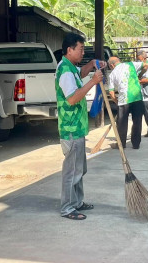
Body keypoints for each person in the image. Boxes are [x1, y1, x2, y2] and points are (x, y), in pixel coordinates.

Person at [55, 33, 104, 220]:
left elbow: (79, 74)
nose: (83, 51)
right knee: (71, 171)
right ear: (69, 49)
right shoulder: (66, 71)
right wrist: (93, 82)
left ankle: (77, 202)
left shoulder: (70, 68)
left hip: (78, 127)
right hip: (71, 128)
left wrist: (91, 66)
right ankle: (68, 207)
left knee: (79, 169)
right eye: (80, 48)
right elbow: (73, 97)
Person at [107, 56, 146, 149]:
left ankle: (121, 144)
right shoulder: (131, 64)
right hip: (137, 97)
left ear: (111, 65)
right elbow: (146, 65)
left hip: (124, 100)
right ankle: (136, 144)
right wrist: (139, 75)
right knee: (137, 121)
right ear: (119, 61)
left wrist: (116, 101)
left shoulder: (112, 74)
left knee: (122, 123)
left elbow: (111, 93)